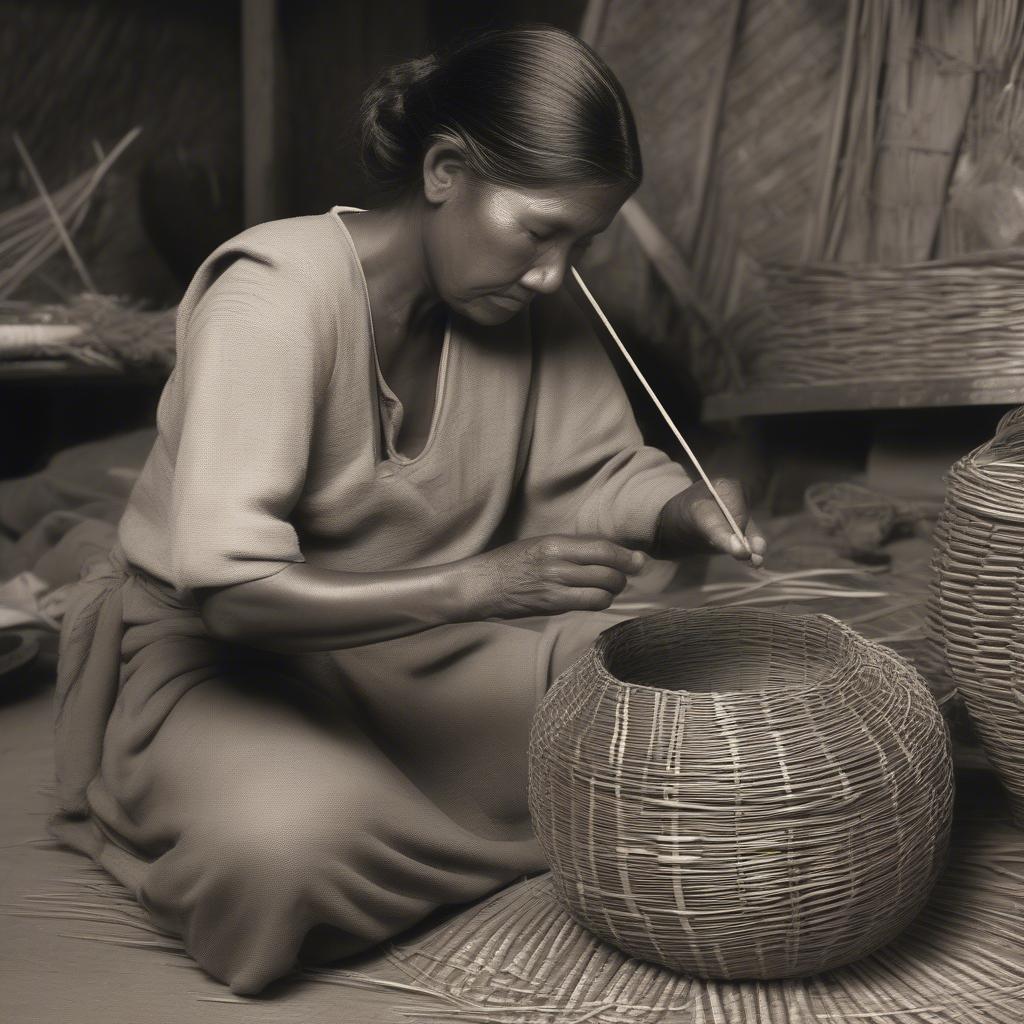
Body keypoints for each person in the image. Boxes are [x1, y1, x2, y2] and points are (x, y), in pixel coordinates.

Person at [51, 26, 766, 996]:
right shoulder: (274, 300)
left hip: (433, 662)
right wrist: (480, 582)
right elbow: (231, 598)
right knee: (281, 851)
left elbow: (599, 472)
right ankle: (275, 811)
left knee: (662, 716)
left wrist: (686, 510)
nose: (556, 272)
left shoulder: (526, 304)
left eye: (581, 242)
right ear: (443, 171)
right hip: (238, 668)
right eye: (537, 230)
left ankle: (455, 825)